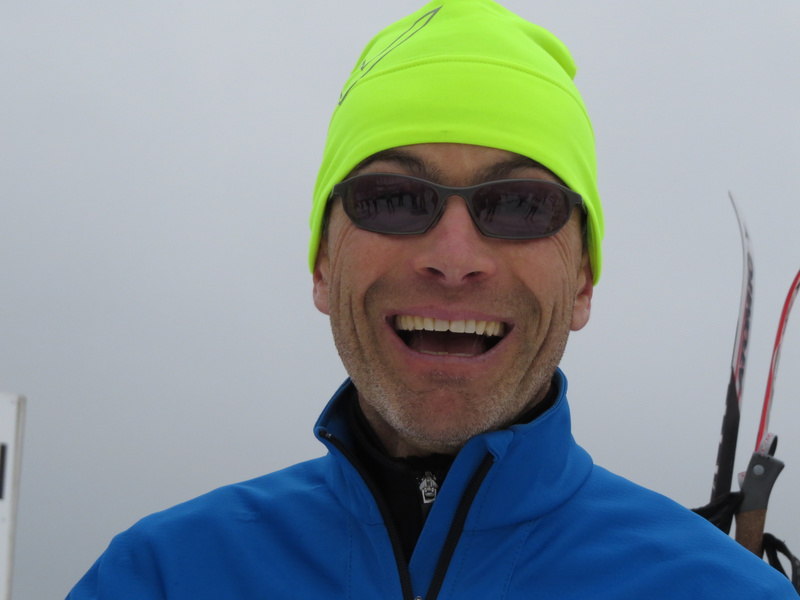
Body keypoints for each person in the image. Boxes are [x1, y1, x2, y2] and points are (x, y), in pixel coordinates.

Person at [67, 0, 798, 598]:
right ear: (322, 264)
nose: (454, 259)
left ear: (582, 281)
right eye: (392, 198)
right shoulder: (159, 579)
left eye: (521, 205)